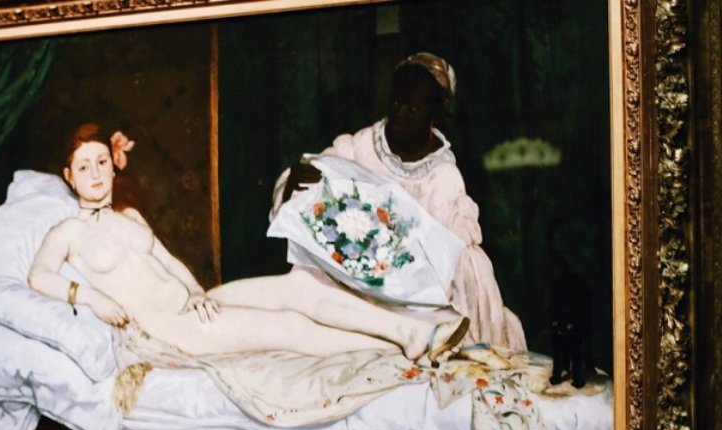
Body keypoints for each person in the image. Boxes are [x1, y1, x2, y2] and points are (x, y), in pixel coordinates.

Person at [28, 123, 469, 366]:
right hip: (172, 330)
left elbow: (168, 261)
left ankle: (411, 331)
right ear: (68, 176)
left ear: (113, 165)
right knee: (288, 327)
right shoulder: (67, 231)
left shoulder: (130, 217)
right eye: (83, 166)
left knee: (301, 286)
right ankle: (397, 352)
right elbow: (39, 276)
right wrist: (89, 297)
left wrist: (196, 291)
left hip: (195, 306)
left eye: (101, 161)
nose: (95, 173)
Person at [272, 53, 527, 351]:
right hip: (349, 282)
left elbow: (448, 263)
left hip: (409, 297)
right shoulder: (362, 146)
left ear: (435, 114)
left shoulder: (443, 176)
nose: (402, 113)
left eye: (414, 108)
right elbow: (314, 177)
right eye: (396, 103)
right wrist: (297, 182)